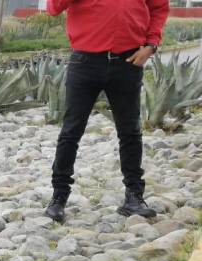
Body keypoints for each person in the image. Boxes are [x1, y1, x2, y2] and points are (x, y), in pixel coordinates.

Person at [44, 0, 168, 223]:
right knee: (71, 131)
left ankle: (134, 197)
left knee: (130, 131)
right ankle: (59, 197)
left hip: (128, 62)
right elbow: (53, 8)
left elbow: (159, 7)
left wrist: (151, 45)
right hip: (85, 61)